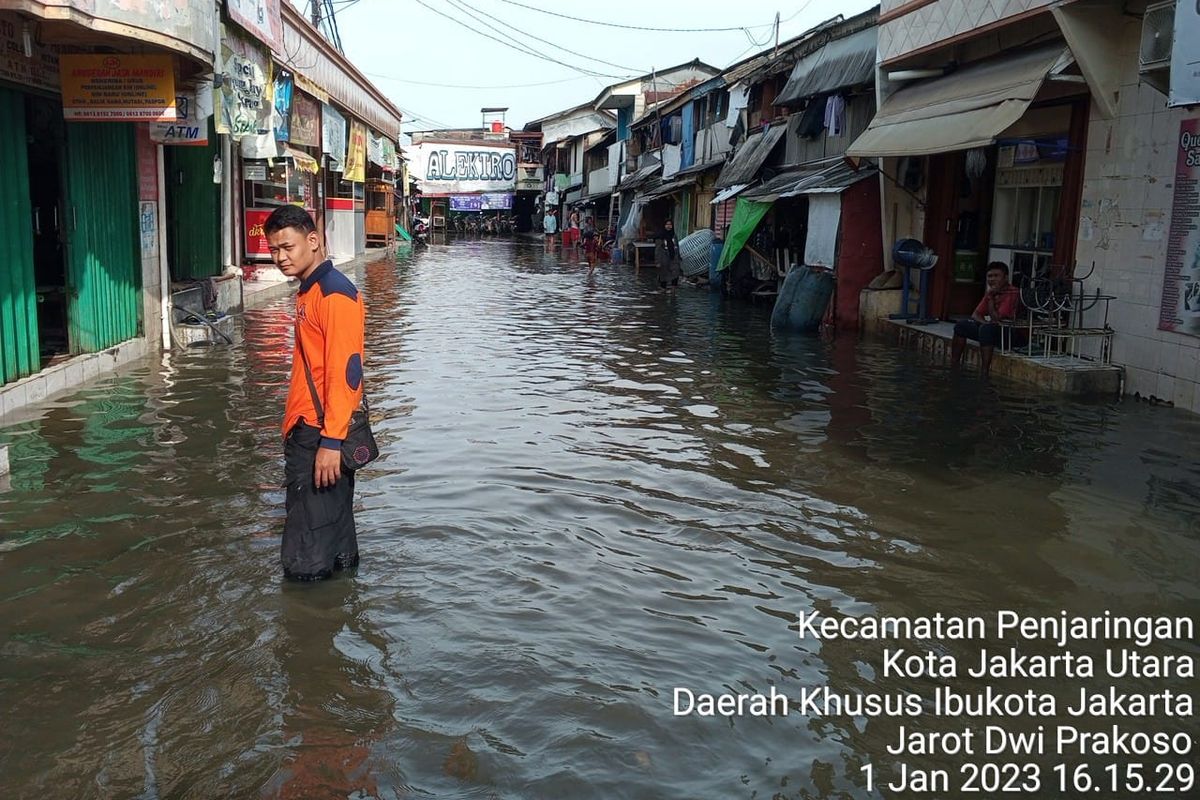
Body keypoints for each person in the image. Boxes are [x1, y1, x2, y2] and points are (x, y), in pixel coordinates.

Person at [265, 205, 366, 581]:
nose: (280, 258)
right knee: (333, 540)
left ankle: (307, 629)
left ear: (313, 241)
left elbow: (347, 374)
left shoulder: (334, 294)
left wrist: (330, 442)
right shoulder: (310, 291)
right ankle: (336, 611)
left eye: (288, 247)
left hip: (321, 436)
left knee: (305, 556)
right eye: (274, 249)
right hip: (313, 431)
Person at [951, 261, 1023, 376]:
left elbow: (997, 319)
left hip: (1012, 334)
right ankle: (954, 364)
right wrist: (985, 323)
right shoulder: (992, 292)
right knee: (961, 326)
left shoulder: (1013, 293)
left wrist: (990, 300)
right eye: (990, 276)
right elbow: (975, 314)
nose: (992, 279)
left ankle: (984, 372)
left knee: (986, 329)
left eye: (996, 276)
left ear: (1005, 278)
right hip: (995, 330)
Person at [655, 219, 682, 293]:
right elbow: (658, 249)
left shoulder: (674, 235)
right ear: (664, 226)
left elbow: (677, 246)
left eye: (670, 224)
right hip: (664, 257)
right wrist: (657, 261)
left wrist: (679, 256)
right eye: (667, 224)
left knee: (676, 273)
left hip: (674, 257)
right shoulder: (660, 236)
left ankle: (673, 291)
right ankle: (663, 292)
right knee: (664, 275)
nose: (669, 226)